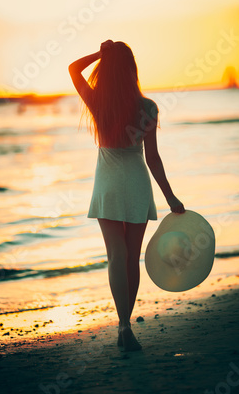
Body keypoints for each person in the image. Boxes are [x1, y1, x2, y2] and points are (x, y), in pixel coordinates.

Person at [68, 40, 185, 351]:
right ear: (132, 68)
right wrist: (170, 197)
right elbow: (153, 159)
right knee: (132, 257)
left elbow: (73, 69)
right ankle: (125, 324)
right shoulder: (147, 108)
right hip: (135, 183)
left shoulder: (98, 103)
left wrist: (98, 54)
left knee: (116, 257)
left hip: (107, 184)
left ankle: (122, 325)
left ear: (106, 70)